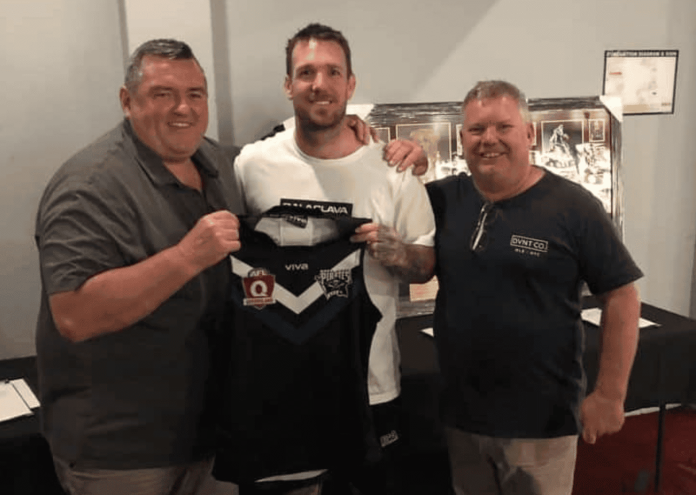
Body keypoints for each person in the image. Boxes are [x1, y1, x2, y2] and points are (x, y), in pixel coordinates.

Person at [34, 37, 425, 495]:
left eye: (195, 94)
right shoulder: (89, 186)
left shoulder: (222, 162)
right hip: (124, 448)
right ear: (127, 100)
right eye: (162, 94)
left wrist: (362, 137)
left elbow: (298, 151)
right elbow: (74, 316)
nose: (183, 108)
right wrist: (186, 256)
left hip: (216, 434)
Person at [211, 23, 436, 495]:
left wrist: (399, 254)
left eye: (333, 72)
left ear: (350, 85)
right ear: (288, 85)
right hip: (282, 385)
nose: (320, 83)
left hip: (371, 383)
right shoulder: (251, 165)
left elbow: (426, 265)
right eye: (306, 72)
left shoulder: (394, 170)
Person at [424, 80, 643, 495]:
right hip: (463, 416)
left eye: (503, 127)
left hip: (541, 421)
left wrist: (611, 395)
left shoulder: (573, 207)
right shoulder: (442, 199)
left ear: (529, 134)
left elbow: (622, 296)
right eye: (476, 129)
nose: (489, 139)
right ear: (462, 139)